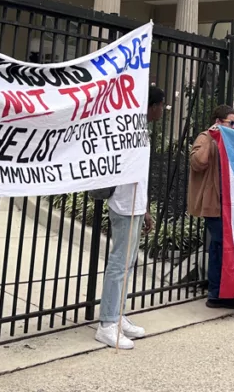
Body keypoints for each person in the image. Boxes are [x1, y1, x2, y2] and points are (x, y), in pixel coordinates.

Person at [96, 86, 166, 348]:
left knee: (128, 264)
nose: (162, 111)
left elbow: (141, 176)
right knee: (119, 264)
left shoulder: (141, 131)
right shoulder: (128, 130)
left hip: (136, 204)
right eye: (162, 106)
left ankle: (118, 314)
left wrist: (145, 208)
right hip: (123, 204)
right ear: (153, 106)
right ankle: (107, 323)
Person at [189, 104, 234, 309]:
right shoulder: (205, 138)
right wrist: (212, 138)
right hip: (214, 202)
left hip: (228, 202)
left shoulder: (230, 139)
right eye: (231, 122)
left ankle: (224, 290)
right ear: (219, 122)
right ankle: (216, 293)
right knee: (219, 245)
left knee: (223, 246)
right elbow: (198, 163)